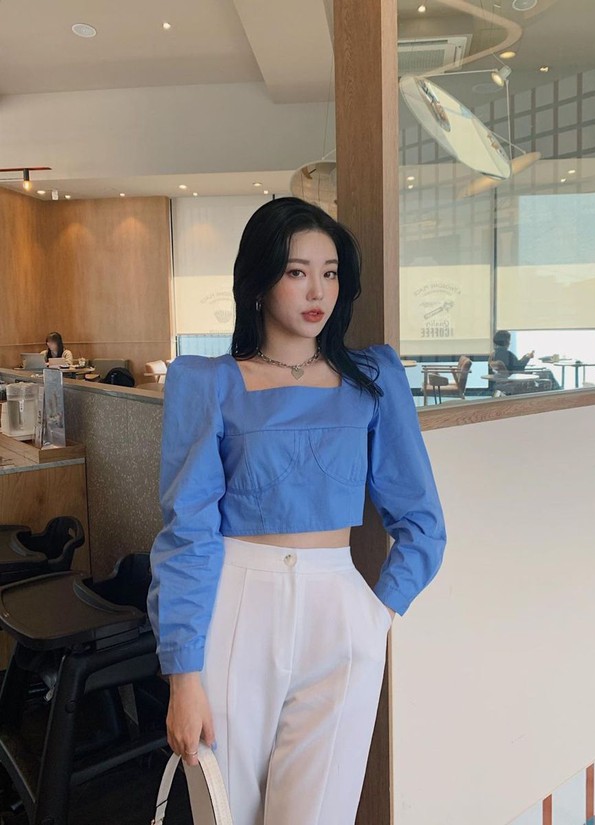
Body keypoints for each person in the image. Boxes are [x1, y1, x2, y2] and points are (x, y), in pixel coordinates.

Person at [148, 197, 447, 825]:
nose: (318, 291)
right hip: (236, 605)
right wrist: (183, 673)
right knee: (226, 811)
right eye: (296, 272)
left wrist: (375, 613)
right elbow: (188, 532)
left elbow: (422, 521)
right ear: (258, 282)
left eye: (330, 272)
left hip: (341, 610)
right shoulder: (207, 381)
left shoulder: (372, 379)